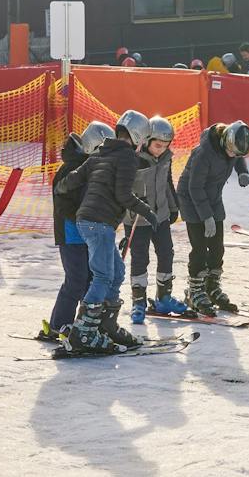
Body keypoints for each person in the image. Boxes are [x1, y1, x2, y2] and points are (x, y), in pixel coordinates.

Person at [63, 114, 158, 354]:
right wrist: (147, 211)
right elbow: (124, 195)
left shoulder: (102, 153)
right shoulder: (126, 156)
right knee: (103, 277)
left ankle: (105, 324)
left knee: (116, 273)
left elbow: (74, 179)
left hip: (89, 221)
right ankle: (83, 332)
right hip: (98, 222)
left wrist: (62, 185)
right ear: (137, 136)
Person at [176, 119, 249, 316]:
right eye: (232, 152)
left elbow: (238, 157)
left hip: (213, 198)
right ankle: (195, 290)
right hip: (191, 199)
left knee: (217, 247)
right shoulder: (204, 153)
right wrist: (206, 217)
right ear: (225, 141)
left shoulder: (232, 148)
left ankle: (211, 287)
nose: (234, 156)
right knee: (201, 248)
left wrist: (242, 172)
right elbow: (194, 188)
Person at [125, 116, 193, 323]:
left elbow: (167, 184)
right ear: (146, 141)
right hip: (138, 218)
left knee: (166, 253)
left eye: (165, 146)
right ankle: (138, 301)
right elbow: (123, 190)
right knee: (140, 258)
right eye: (157, 145)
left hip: (160, 216)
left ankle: (163, 297)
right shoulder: (133, 159)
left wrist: (173, 208)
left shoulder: (166, 158)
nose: (160, 150)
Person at [40, 127, 97, 342]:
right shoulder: (70, 169)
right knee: (76, 279)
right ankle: (58, 324)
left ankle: (86, 322)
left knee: (90, 278)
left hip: (86, 234)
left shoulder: (87, 168)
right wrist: (81, 218)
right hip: (71, 234)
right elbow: (63, 204)